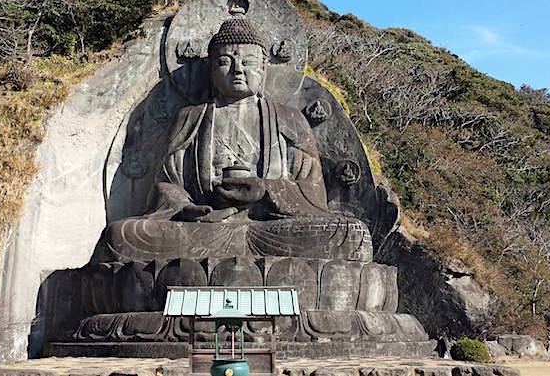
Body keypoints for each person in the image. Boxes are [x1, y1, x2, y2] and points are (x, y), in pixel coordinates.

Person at [94, 16, 372, 263]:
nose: (238, 70)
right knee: (120, 236)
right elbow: (167, 184)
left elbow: (312, 192)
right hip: (205, 229)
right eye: (226, 62)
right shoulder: (191, 117)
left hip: (269, 229)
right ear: (211, 70)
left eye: (249, 62)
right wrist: (188, 208)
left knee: (350, 235)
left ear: (264, 68)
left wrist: (266, 190)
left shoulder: (291, 119)